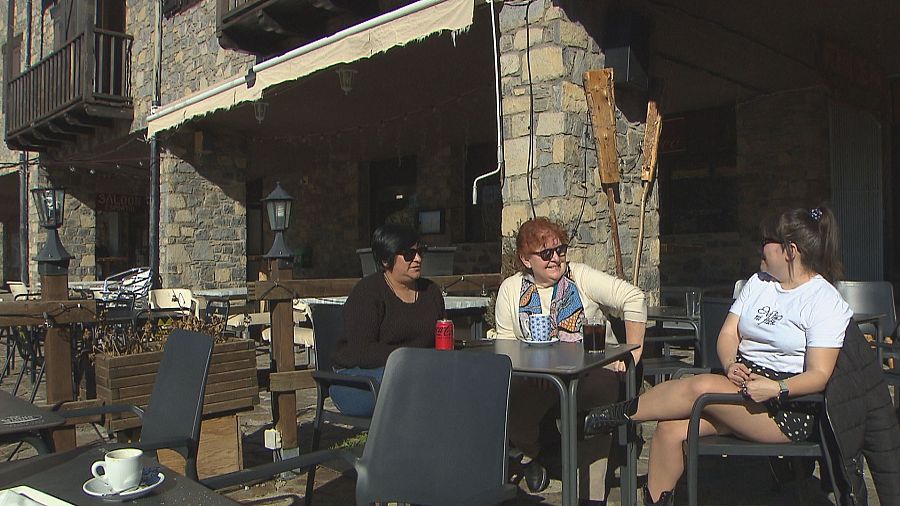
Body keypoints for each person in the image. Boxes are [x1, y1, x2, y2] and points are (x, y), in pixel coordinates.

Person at [584, 206, 853, 505]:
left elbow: (819, 374)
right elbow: (728, 335)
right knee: (670, 431)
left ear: (790, 250)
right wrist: (729, 363)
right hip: (739, 390)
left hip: (785, 407)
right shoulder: (758, 283)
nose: (760, 248)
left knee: (703, 385)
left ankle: (611, 415)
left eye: (766, 241)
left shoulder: (823, 300)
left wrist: (777, 387)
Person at [494, 217, 647, 495]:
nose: (555, 259)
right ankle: (534, 455)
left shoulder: (579, 276)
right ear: (526, 260)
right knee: (510, 402)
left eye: (560, 250)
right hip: (540, 376)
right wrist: (533, 370)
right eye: (546, 253)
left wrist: (632, 355)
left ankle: (591, 493)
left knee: (597, 403)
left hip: (592, 371)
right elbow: (506, 347)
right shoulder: (512, 289)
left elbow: (633, 297)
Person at [330, 223, 445, 417]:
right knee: (412, 380)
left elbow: (441, 340)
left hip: (413, 374)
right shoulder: (368, 293)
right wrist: (414, 359)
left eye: (420, 252)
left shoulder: (430, 292)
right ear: (386, 260)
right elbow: (363, 352)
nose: (417, 259)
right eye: (408, 254)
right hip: (358, 380)